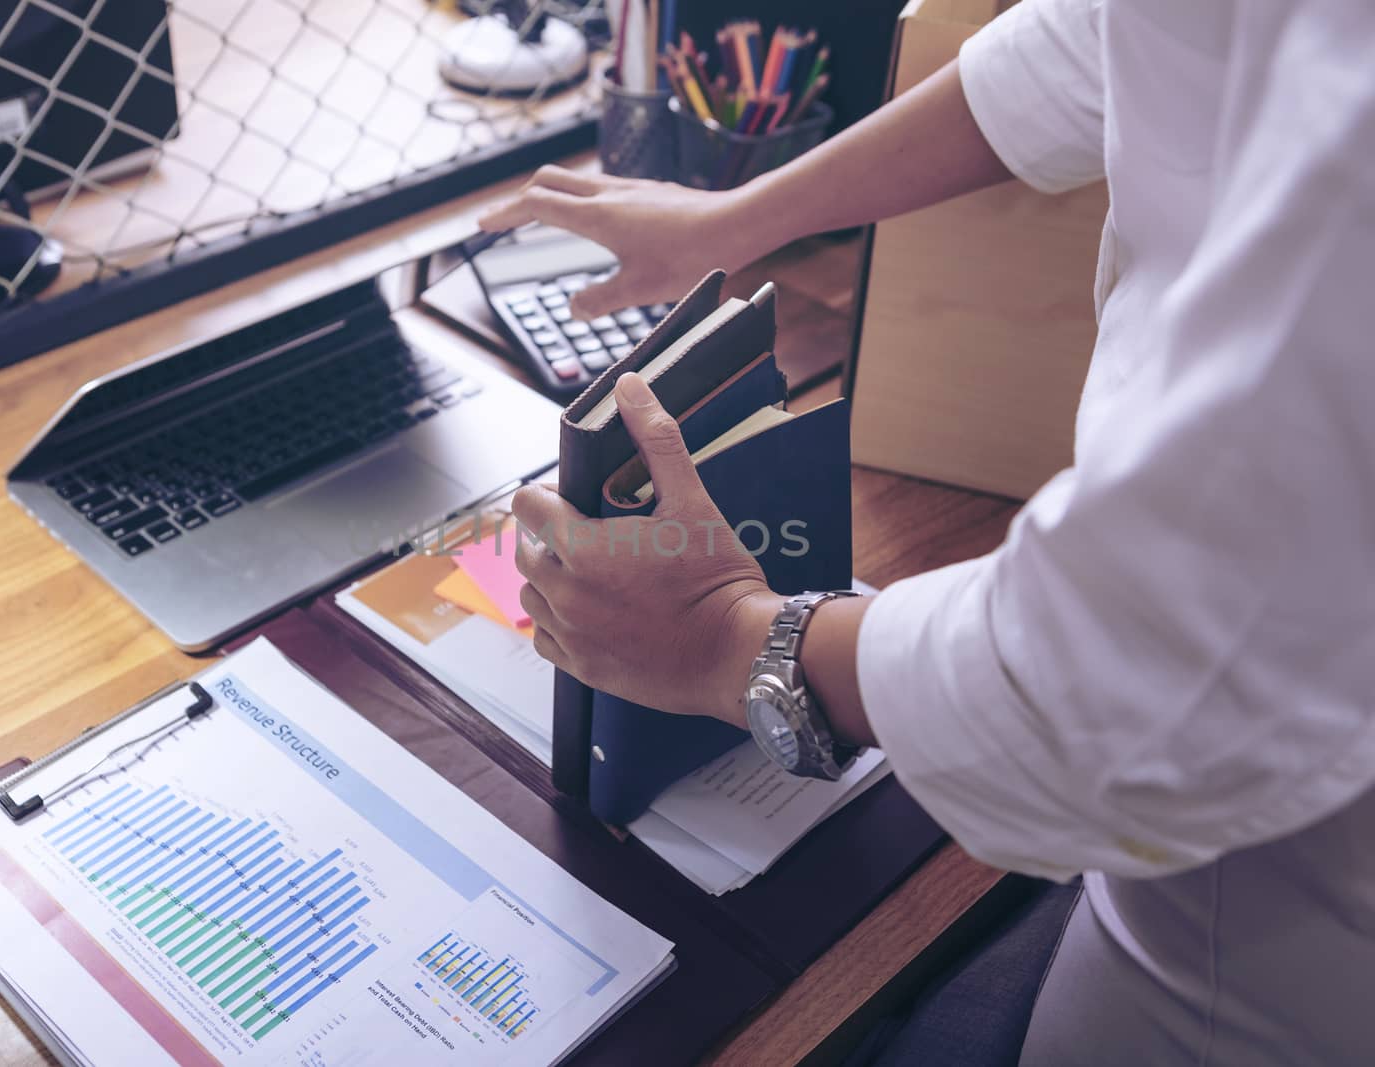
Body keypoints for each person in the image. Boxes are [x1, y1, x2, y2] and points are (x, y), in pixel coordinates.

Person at [478, 0, 1375, 1063]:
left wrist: (727, 638)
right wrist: (738, 215)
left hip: (1269, 947)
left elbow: (1120, 678)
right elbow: (1115, 37)